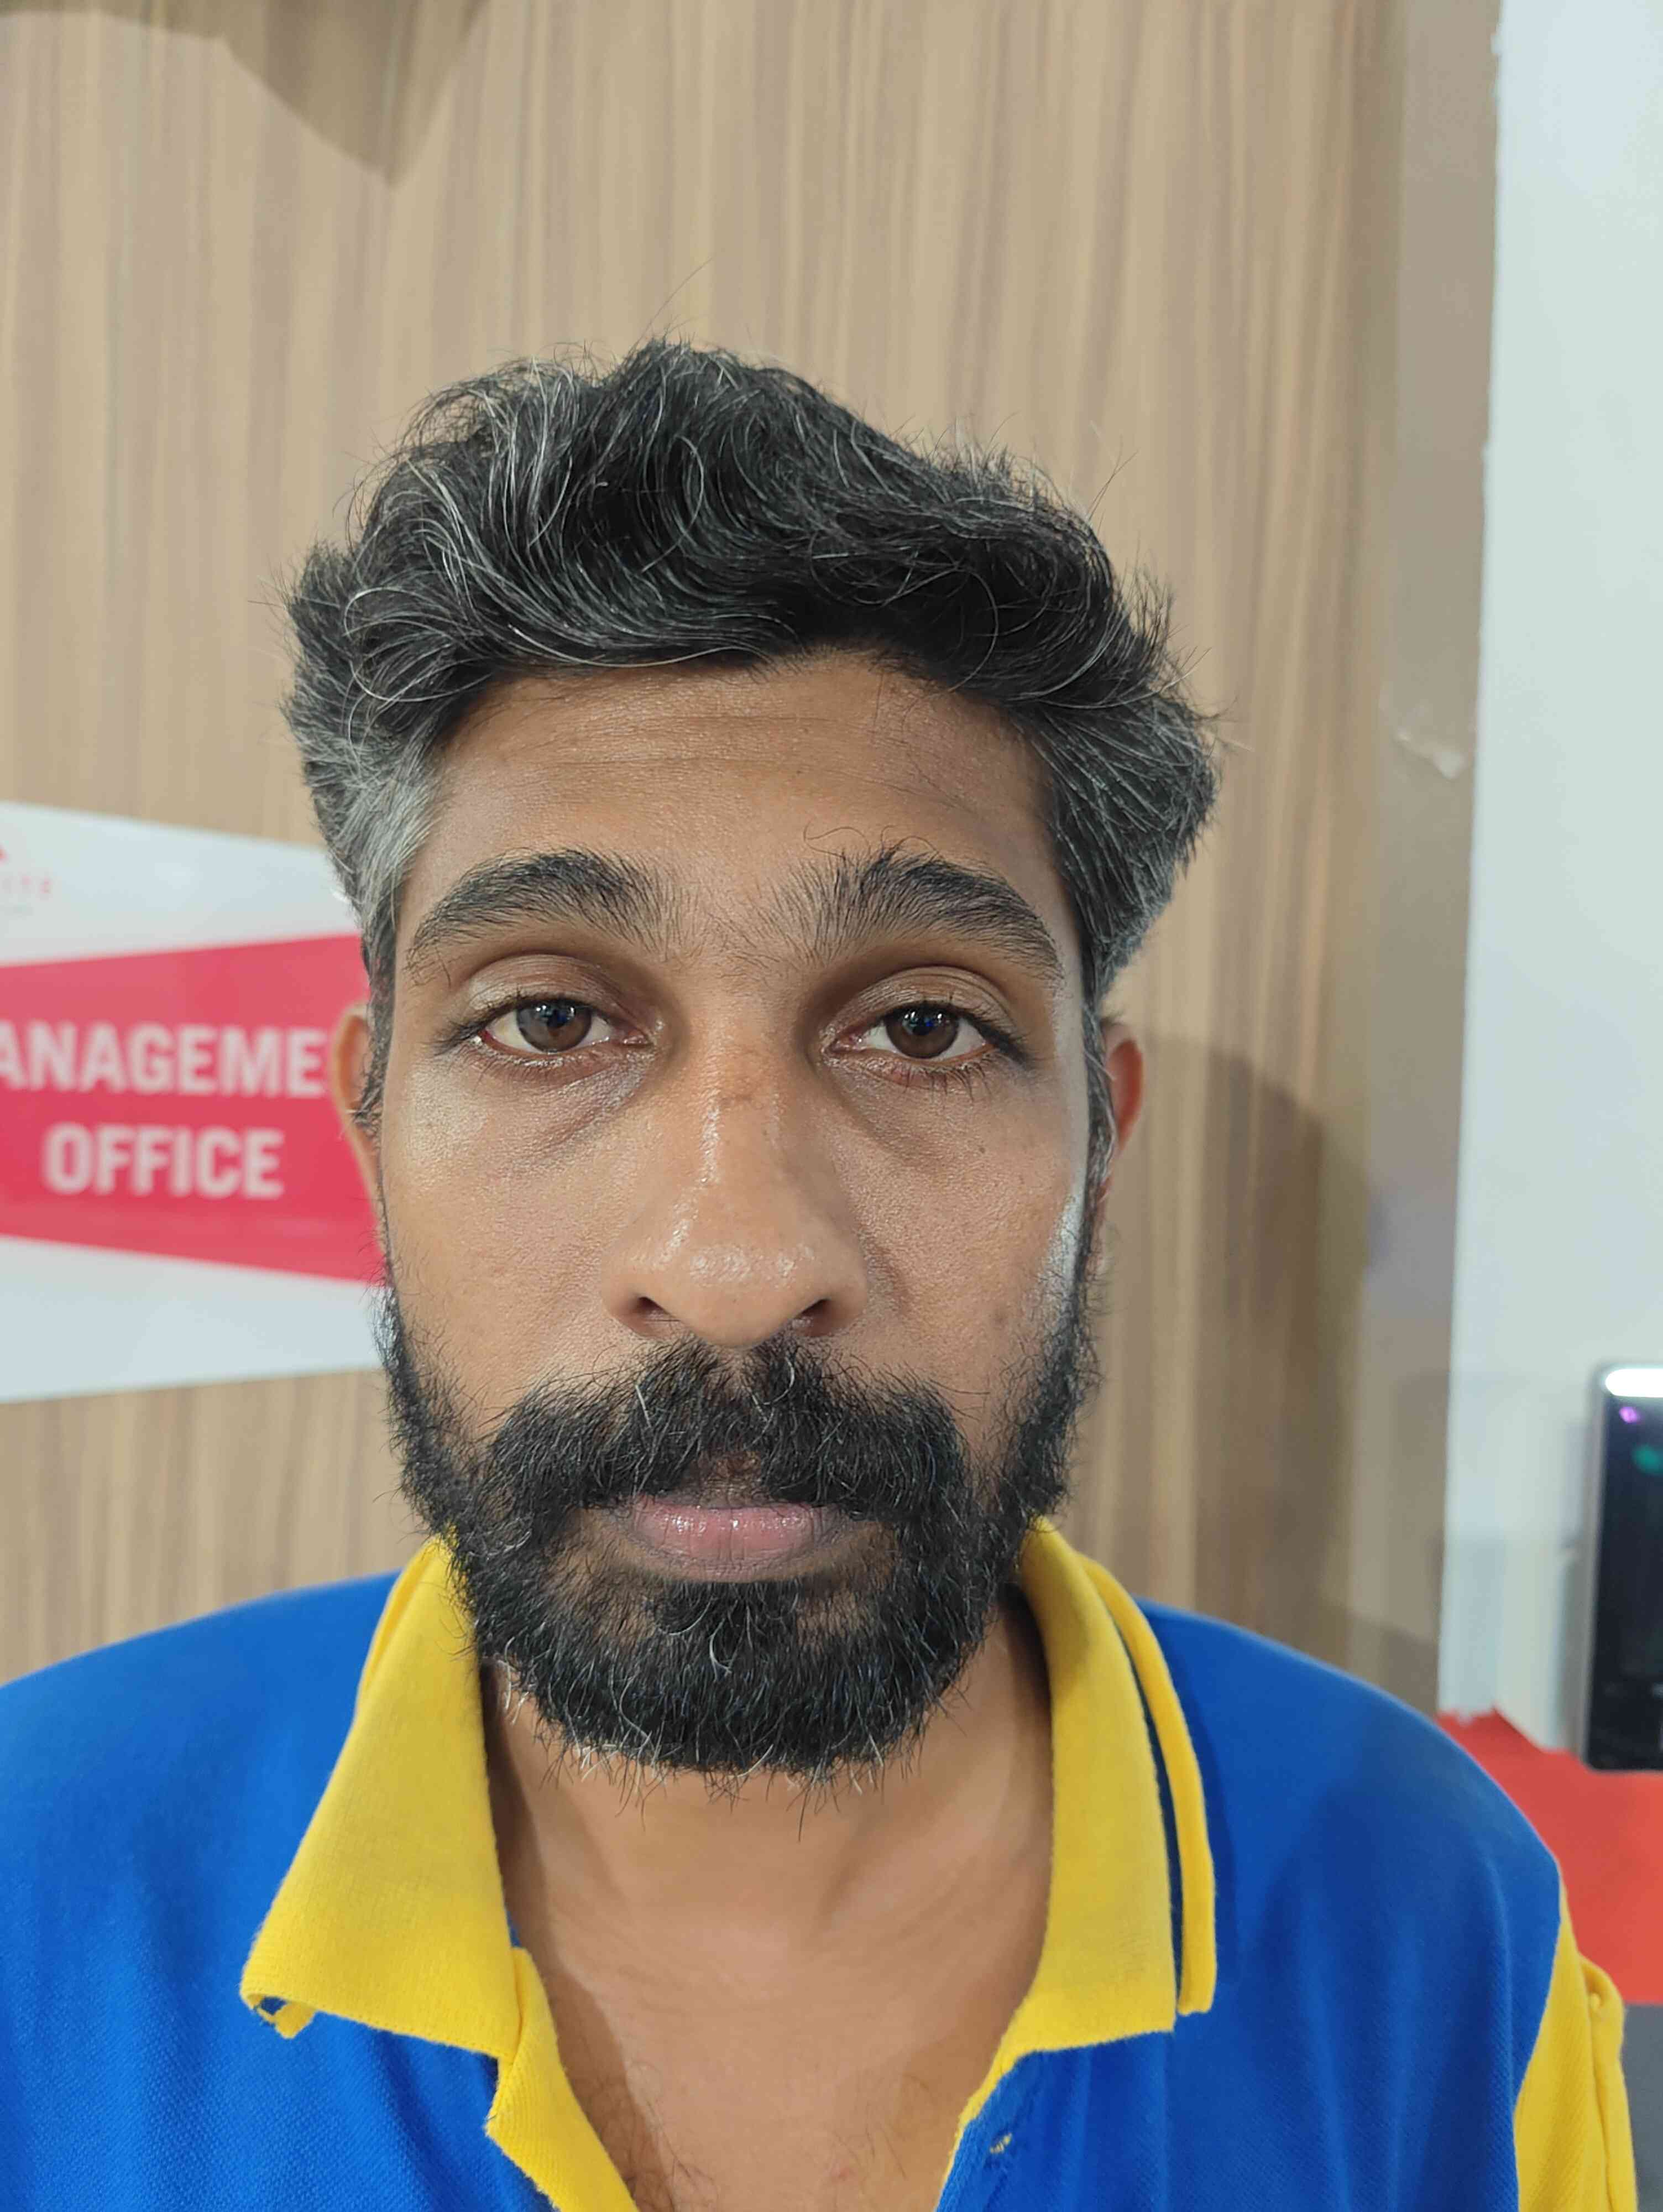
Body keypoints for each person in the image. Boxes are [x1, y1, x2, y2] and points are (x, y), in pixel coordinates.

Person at [0, 342, 1635, 2212]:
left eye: (923, 1029)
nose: (734, 1265)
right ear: (373, 1121)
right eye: (550, 1020)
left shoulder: (1440, 1928)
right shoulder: (32, 1891)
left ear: (1099, 1148)